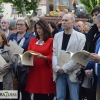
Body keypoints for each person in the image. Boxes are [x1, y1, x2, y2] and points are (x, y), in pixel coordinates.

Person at [52, 13, 86, 100]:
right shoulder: (57, 36)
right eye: (62, 20)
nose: (63, 22)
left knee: (74, 98)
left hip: (73, 72)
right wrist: (56, 67)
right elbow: (54, 53)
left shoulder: (81, 37)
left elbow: (79, 56)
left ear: (73, 22)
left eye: (66, 20)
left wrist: (65, 68)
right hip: (59, 71)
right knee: (60, 97)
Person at [26, 20, 56, 100]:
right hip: (34, 70)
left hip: (45, 71)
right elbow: (29, 53)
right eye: (37, 28)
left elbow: (53, 56)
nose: (38, 30)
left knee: (45, 94)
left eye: (40, 28)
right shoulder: (33, 40)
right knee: (36, 94)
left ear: (45, 28)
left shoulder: (51, 41)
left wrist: (43, 57)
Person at [9, 17, 35, 100]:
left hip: (24, 68)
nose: (19, 26)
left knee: (25, 93)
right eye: (17, 24)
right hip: (12, 67)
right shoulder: (12, 36)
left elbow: (32, 52)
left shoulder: (31, 38)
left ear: (26, 26)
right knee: (13, 92)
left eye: (21, 24)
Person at [82, 6, 100, 100]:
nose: (94, 17)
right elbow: (87, 49)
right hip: (91, 67)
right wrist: (85, 64)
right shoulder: (92, 31)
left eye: (96, 15)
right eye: (93, 15)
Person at [0, 30, 15, 100]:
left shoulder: (9, 49)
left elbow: (12, 62)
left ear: (3, 39)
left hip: (7, 76)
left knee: (6, 97)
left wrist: (2, 70)